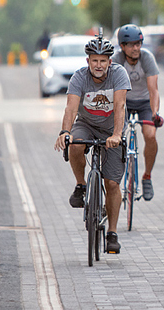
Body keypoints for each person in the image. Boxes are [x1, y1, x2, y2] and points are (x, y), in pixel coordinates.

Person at [54, 32, 131, 254]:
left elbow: (120, 106)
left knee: (113, 184)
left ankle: (112, 233)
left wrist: (117, 134)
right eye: (94, 60)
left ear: (110, 61)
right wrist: (65, 131)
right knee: (76, 143)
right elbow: (70, 107)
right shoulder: (79, 77)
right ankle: (81, 185)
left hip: (110, 129)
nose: (99, 65)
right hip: (86, 123)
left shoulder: (119, 75)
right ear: (88, 61)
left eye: (103, 61)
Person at [112, 24, 163, 201]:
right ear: (122, 46)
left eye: (138, 44)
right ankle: (114, 179)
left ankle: (147, 176)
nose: (136, 48)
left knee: (150, 135)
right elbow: (113, 90)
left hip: (143, 103)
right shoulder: (116, 60)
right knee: (115, 137)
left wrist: (155, 113)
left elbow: (153, 90)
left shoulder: (147, 58)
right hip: (124, 102)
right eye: (131, 45)